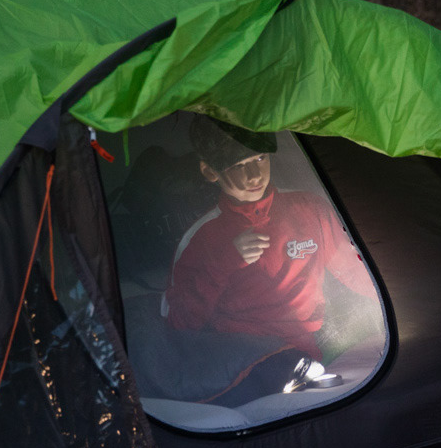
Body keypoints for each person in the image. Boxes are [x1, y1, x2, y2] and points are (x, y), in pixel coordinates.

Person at [161, 116, 379, 361]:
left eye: (260, 158)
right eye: (239, 165)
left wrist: (397, 303)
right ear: (210, 171)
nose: (255, 175)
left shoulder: (309, 209)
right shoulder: (201, 237)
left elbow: (358, 272)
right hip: (243, 354)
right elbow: (178, 321)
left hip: (311, 342)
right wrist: (224, 262)